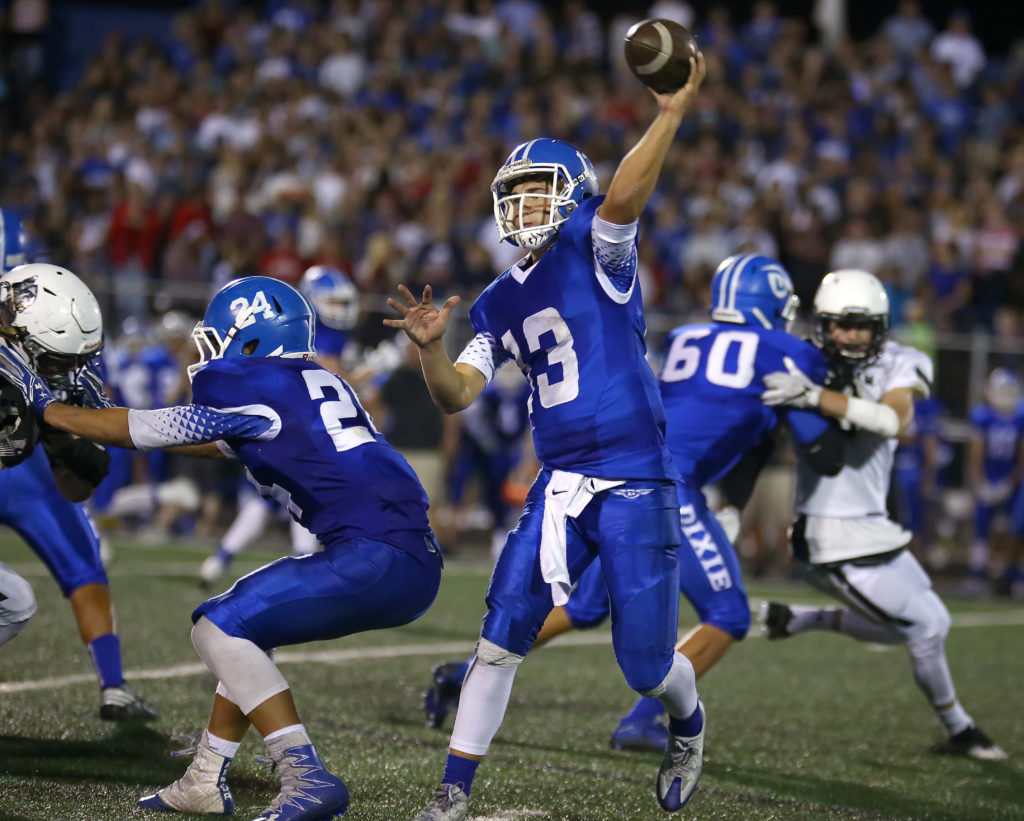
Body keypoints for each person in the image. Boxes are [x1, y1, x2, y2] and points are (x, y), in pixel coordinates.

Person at [386, 53, 709, 819]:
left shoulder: (597, 249)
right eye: (516, 193)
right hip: (559, 481)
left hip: (635, 478)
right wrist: (431, 349)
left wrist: (668, 114)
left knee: (645, 666)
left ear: (572, 194)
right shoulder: (496, 299)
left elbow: (627, 198)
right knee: (500, 637)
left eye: (539, 190)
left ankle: (688, 724)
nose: (527, 204)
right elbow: (458, 395)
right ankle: (451, 794)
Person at [2, 275, 443, 821]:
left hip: (374, 554)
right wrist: (93, 418)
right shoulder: (306, 381)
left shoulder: (255, 382)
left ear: (252, 340)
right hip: (402, 554)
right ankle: (205, 779)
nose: (211, 348)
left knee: (219, 627)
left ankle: (305, 777)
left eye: (220, 335)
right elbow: (216, 441)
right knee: (248, 628)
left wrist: (48, 409)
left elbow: (153, 428)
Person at [422, 255, 844, 752]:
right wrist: (835, 397)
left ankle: (461, 675)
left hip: (623, 469)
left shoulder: (690, 337)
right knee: (728, 614)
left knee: (584, 607)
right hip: (664, 486)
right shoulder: (785, 350)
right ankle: (644, 721)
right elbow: (825, 451)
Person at [758, 268, 1007, 761]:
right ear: (823, 324)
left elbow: (896, 419)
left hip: (874, 526)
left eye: (862, 324)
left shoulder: (898, 361)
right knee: (926, 628)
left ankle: (804, 620)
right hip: (828, 535)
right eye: (839, 324)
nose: (850, 335)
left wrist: (815, 397)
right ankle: (961, 730)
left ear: (881, 326)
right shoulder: (803, 362)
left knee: (930, 621)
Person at [0, 255, 157, 722]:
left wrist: (71, 449)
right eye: (56, 361)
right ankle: (115, 686)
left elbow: (73, 487)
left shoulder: (35, 368)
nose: (68, 372)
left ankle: (115, 687)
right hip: (26, 479)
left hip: (28, 477)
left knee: (19, 600)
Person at [963, 368, 1024, 594]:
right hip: (988, 479)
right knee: (981, 527)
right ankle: (977, 574)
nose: (1006, 395)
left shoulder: (1020, 416)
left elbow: (1022, 455)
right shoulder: (982, 416)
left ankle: (1013, 575)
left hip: (1012, 483)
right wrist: (979, 482)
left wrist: (1012, 482)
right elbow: (976, 453)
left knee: (1016, 530)